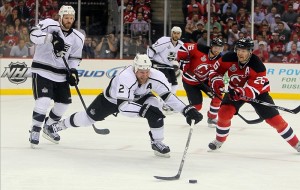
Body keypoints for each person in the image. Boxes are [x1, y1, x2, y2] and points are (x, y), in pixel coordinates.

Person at [46, 54, 203, 157]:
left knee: (154, 108)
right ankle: (57, 126)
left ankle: (157, 142)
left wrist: (186, 110)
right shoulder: (125, 77)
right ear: (135, 68)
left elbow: (168, 97)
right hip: (112, 100)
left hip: (141, 97)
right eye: (141, 71)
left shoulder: (157, 76)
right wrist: (144, 110)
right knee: (88, 119)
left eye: (146, 71)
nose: (144, 74)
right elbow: (123, 107)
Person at [207, 38, 300, 153]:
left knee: (275, 121)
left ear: (250, 51)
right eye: (239, 50)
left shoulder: (258, 66)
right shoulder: (228, 58)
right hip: (234, 90)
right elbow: (214, 71)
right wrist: (217, 81)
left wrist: (240, 92)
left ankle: (296, 143)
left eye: (244, 50)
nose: (240, 53)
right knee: (223, 113)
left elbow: (253, 89)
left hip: (259, 93)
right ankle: (219, 140)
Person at [28, 5, 85, 148]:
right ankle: (35, 130)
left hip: (61, 74)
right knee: (44, 101)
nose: (69, 20)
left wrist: (72, 70)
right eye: (66, 18)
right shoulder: (48, 25)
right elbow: (33, 35)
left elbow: (75, 58)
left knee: (63, 105)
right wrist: (50, 38)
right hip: (42, 70)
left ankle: (49, 127)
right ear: (60, 17)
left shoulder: (78, 37)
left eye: (71, 18)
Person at [177, 38, 224, 128]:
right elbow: (184, 47)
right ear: (211, 46)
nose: (217, 51)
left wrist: (218, 84)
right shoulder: (199, 48)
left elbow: (218, 74)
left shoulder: (220, 59)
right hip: (189, 82)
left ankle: (211, 118)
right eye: (215, 48)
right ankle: (190, 114)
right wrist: (183, 60)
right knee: (197, 107)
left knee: (218, 95)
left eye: (220, 48)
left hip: (204, 80)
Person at [147, 26, 184, 113]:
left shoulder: (181, 45)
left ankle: (170, 103)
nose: (176, 35)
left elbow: (183, 57)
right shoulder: (164, 40)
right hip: (158, 64)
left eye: (178, 33)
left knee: (174, 85)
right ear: (171, 33)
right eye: (174, 33)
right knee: (168, 84)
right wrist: (149, 62)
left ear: (180, 35)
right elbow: (152, 49)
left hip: (169, 66)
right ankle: (165, 104)